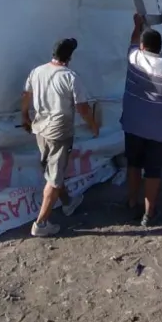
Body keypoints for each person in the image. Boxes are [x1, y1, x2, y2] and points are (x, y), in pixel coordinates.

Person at [21, 38, 99, 237]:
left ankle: (68, 202)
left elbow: (26, 94)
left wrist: (25, 116)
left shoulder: (37, 71)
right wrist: (93, 126)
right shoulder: (70, 76)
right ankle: (41, 223)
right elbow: (82, 108)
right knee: (54, 178)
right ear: (70, 56)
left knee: (53, 168)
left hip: (40, 130)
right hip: (59, 132)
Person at [120, 14, 162, 226]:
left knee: (133, 164)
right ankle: (149, 214)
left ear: (143, 46)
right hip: (160, 130)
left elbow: (132, 43)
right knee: (153, 171)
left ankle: (132, 202)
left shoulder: (135, 58)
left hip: (134, 125)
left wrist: (137, 25)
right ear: (160, 47)